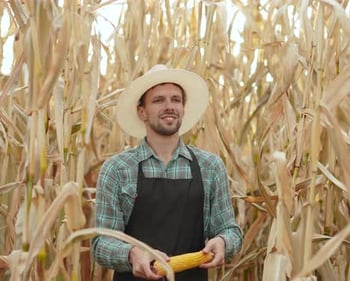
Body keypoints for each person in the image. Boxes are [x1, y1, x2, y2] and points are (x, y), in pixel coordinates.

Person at [92, 64, 243, 281]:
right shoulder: (117, 170)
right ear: (142, 111)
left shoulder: (210, 167)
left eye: (176, 99)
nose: (169, 106)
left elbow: (230, 230)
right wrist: (132, 254)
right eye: (158, 100)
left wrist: (223, 243)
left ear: (183, 108)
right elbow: (101, 243)